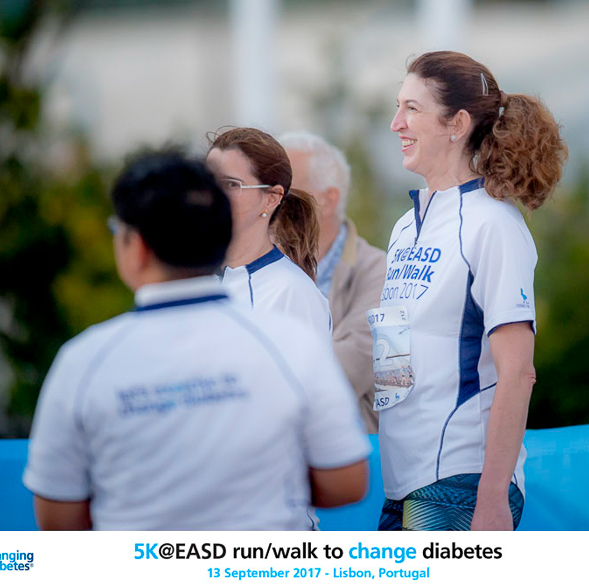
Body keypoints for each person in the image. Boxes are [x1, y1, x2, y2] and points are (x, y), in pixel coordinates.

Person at [22, 150, 370, 530]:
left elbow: (57, 520)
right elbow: (347, 483)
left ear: (136, 247)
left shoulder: (82, 362)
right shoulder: (290, 343)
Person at [374, 51, 567, 531]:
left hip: (461, 483)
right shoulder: (404, 228)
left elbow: (518, 371)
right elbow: (397, 362)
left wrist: (493, 494)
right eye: (398, 107)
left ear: (457, 124)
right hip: (403, 480)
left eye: (412, 108)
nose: (396, 123)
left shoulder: (493, 223)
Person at [279, 131, 387, 434]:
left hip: (349, 444)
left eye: (286, 190)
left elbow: (346, 370)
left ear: (328, 199)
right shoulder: (259, 268)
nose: (272, 199)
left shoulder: (377, 270)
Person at [205, 127, 331, 336]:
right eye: (208, 182)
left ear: (272, 198)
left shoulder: (291, 292)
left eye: (231, 184)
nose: (213, 195)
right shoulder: (196, 283)